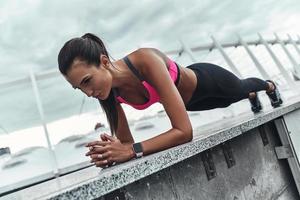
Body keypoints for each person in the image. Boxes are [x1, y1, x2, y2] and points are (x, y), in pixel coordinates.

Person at [57, 33, 282, 168]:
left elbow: (184, 132)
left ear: (104, 62)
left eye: (87, 81)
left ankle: (268, 86)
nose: (88, 93)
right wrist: (111, 152)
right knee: (228, 103)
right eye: (80, 88)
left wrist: (130, 150)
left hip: (207, 81)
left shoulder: (144, 61)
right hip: (191, 104)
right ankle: (252, 95)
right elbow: (127, 145)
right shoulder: (107, 92)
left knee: (241, 89)